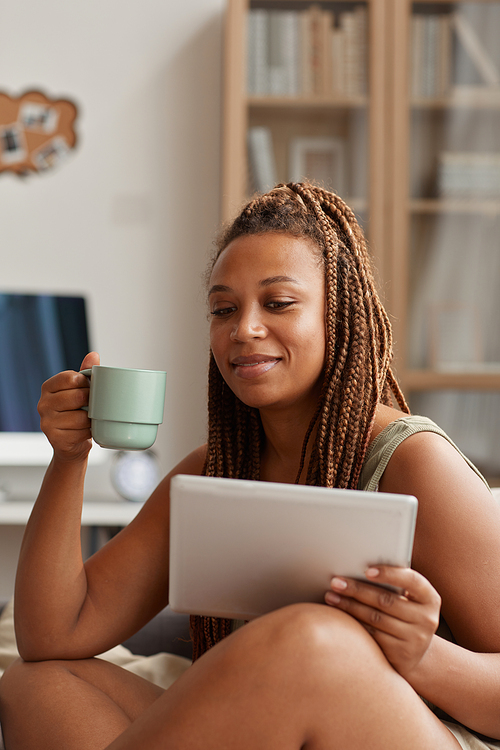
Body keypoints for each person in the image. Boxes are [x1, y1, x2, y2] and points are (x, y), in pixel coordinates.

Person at [1, 182, 500, 750]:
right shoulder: (216, 470)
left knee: (314, 640)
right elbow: (52, 635)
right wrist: (69, 458)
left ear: (339, 315)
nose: (245, 330)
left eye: (279, 303)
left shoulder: (415, 462)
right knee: (38, 685)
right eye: (224, 309)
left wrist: (426, 656)